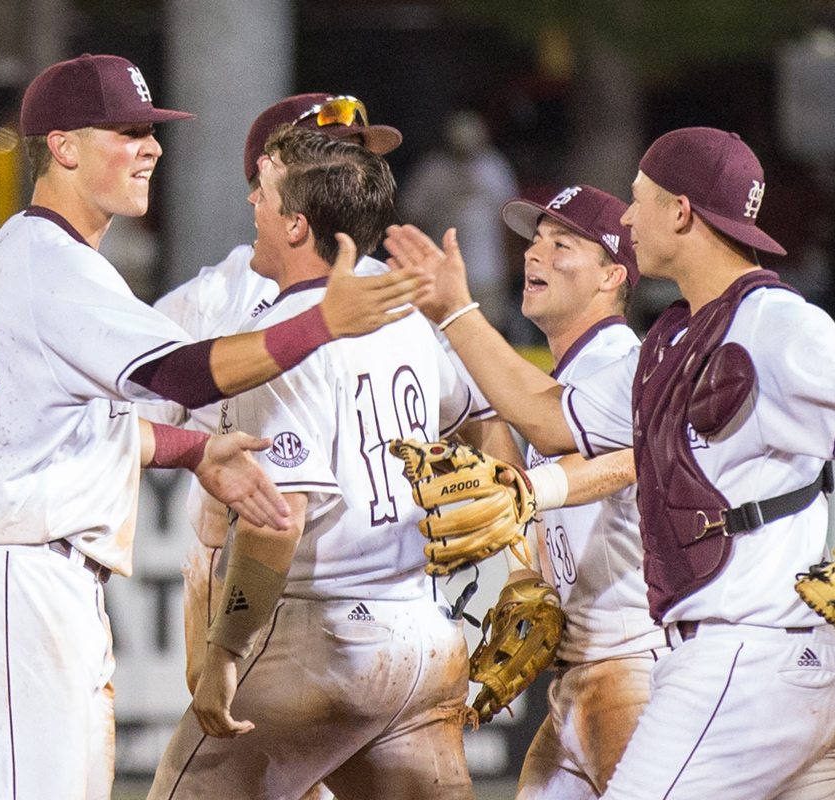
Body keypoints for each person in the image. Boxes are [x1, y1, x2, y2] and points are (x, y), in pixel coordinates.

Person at [0, 54, 421, 800]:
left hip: (33, 576)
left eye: (150, 132)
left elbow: (88, 426)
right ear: (63, 147)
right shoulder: (52, 261)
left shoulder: (42, 255)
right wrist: (322, 321)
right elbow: (186, 375)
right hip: (17, 579)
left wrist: (197, 451)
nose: (152, 147)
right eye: (127, 132)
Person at [386, 126, 835, 798]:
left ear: (682, 211)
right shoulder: (673, 342)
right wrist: (456, 311)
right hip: (760, 662)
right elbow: (550, 417)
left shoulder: (772, 319)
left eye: (640, 199)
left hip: (746, 656)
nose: (630, 215)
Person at [147, 125, 499, 800]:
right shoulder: (407, 317)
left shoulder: (282, 342)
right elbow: (474, 416)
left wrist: (226, 648)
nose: (253, 201)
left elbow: (277, 519)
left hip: (324, 635)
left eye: (267, 192)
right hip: (425, 638)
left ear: (298, 225)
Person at [140, 92, 407, 698]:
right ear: (269, 171)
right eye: (331, 150)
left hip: (350, 583)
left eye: (357, 153)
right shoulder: (218, 293)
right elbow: (128, 412)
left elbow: (476, 413)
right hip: (242, 567)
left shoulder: (397, 289)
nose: (353, 166)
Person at [495, 185, 668, 799]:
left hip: (633, 667)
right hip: (585, 672)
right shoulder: (572, 378)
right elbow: (526, 498)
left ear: (611, 276)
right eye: (535, 240)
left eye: (561, 243)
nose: (534, 254)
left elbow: (639, 463)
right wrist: (524, 572)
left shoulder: (622, 363)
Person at [401, 110, 518, 336]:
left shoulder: (494, 168)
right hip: (440, 269)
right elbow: (413, 218)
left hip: (487, 270)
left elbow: (508, 220)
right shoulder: (433, 170)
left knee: (488, 330)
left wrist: (511, 263)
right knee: (441, 331)